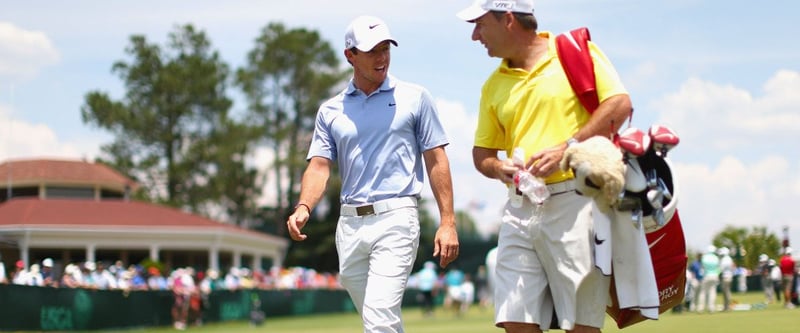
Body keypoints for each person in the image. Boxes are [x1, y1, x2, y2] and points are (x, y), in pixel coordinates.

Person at [456, 0, 632, 331]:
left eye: (480, 25)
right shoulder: (493, 84)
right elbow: (483, 154)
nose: (475, 36)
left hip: (577, 202)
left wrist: (568, 148)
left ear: (508, 19)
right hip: (519, 206)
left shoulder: (576, 53)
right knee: (514, 319)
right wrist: (499, 168)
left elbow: (619, 105)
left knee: (580, 324)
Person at [285, 15, 459, 333]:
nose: (382, 58)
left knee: (379, 316)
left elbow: (436, 159)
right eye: (372, 51)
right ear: (350, 55)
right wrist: (303, 206)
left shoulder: (415, 97)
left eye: (385, 48)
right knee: (379, 318)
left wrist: (447, 221)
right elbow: (319, 166)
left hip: (396, 218)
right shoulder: (330, 110)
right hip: (349, 225)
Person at [697, 245, 720, 313]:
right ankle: (711, 308)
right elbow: (718, 268)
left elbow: (702, 267)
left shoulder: (704, 257)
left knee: (703, 292)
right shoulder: (716, 258)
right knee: (712, 292)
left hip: (706, 276)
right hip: (714, 276)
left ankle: (700, 308)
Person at [717, 247, 734, 311]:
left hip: (725, 277)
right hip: (729, 277)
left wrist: (717, 274)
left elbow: (721, 269)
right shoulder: (730, 259)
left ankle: (727, 306)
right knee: (727, 292)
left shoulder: (724, 259)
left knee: (726, 293)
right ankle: (727, 306)